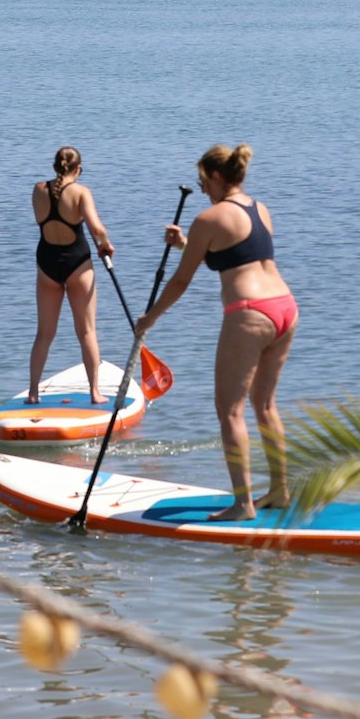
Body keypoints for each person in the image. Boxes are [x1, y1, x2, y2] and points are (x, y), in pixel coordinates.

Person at [134, 144, 296, 521]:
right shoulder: (261, 209)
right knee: (265, 406)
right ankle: (280, 491)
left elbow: (179, 282)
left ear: (218, 177)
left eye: (203, 181)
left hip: (250, 314)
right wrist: (188, 246)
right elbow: (236, 256)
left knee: (230, 411)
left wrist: (150, 319)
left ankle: (242, 504)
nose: (202, 188)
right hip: (285, 307)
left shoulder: (209, 217)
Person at [29, 146, 115, 406]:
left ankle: (33, 392)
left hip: (46, 263)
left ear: (55, 166)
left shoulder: (38, 190)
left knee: (44, 333)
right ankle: (95, 393)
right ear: (78, 169)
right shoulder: (80, 192)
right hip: (77, 264)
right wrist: (106, 244)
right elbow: (96, 227)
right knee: (87, 331)